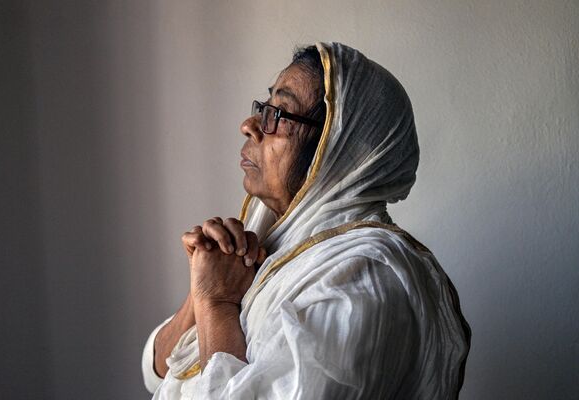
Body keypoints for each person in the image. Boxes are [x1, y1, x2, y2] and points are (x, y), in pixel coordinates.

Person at [141, 42, 471, 399]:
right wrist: (200, 292)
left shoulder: (362, 276)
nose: (250, 125)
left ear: (338, 149)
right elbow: (155, 370)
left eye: (279, 113)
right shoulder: (275, 248)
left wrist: (218, 303)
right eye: (265, 106)